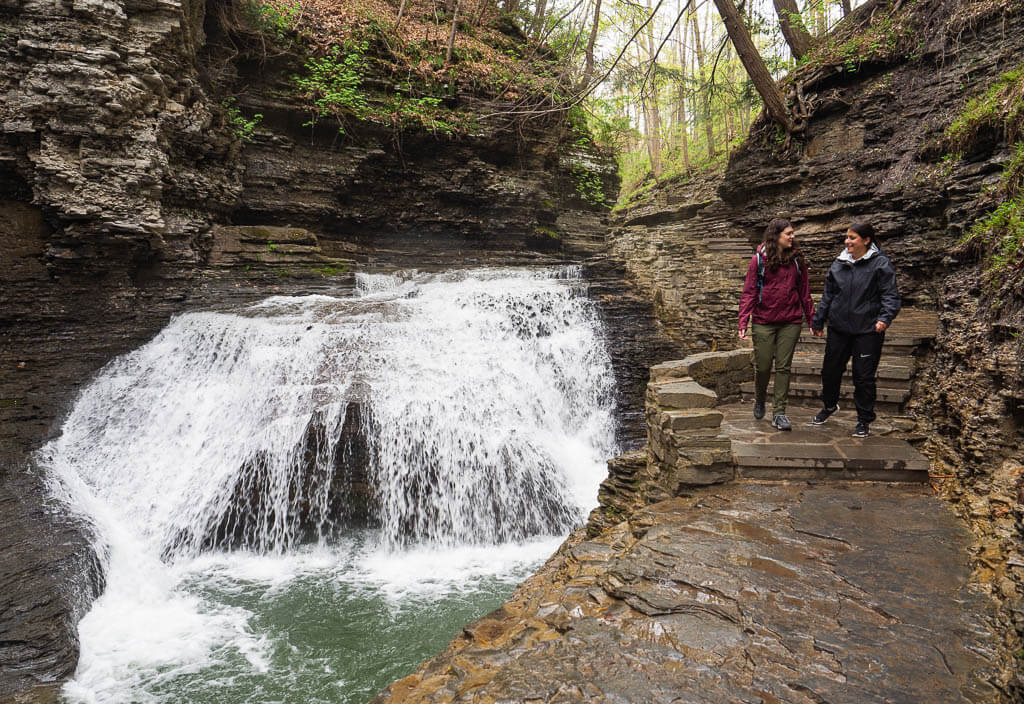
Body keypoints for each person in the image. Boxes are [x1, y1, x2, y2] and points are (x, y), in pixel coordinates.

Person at [810, 222, 901, 437]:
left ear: (866, 240)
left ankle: (863, 419)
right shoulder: (839, 264)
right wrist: (818, 320)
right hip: (839, 328)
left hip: (868, 330)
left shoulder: (880, 264)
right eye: (846, 237)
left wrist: (885, 319)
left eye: (852, 238)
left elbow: (890, 295)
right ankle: (829, 405)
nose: (847, 242)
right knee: (830, 371)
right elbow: (828, 295)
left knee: (863, 377)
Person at [738, 218, 814, 431]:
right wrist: (743, 320)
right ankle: (760, 398)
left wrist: (812, 319)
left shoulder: (797, 260)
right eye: (788, 233)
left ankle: (779, 413)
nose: (793, 237)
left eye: (793, 233)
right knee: (763, 366)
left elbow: (804, 292)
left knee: (783, 367)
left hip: (790, 320)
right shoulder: (758, 261)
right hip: (763, 321)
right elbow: (749, 291)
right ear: (776, 236)